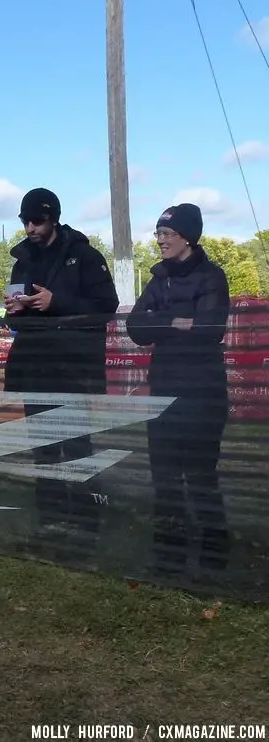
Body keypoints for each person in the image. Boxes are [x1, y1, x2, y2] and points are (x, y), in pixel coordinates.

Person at [3, 188, 119, 536]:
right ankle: (51, 517)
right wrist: (15, 310)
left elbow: (106, 305)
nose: (29, 228)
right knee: (43, 447)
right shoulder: (22, 261)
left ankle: (86, 519)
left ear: (53, 217)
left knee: (77, 445)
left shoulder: (84, 256)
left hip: (75, 368)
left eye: (36, 221)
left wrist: (58, 301)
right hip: (35, 366)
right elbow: (14, 321)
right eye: (25, 221)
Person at [126, 203, 230, 574]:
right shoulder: (158, 279)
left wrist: (163, 321)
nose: (160, 241)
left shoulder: (212, 277)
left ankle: (213, 555)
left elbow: (209, 328)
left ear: (188, 237)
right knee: (165, 476)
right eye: (158, 234)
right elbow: (136, 328)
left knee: (201, 475)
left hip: (203, 394)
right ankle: (169, 551)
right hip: (164, 392)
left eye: (167, 234)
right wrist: (175, 320)